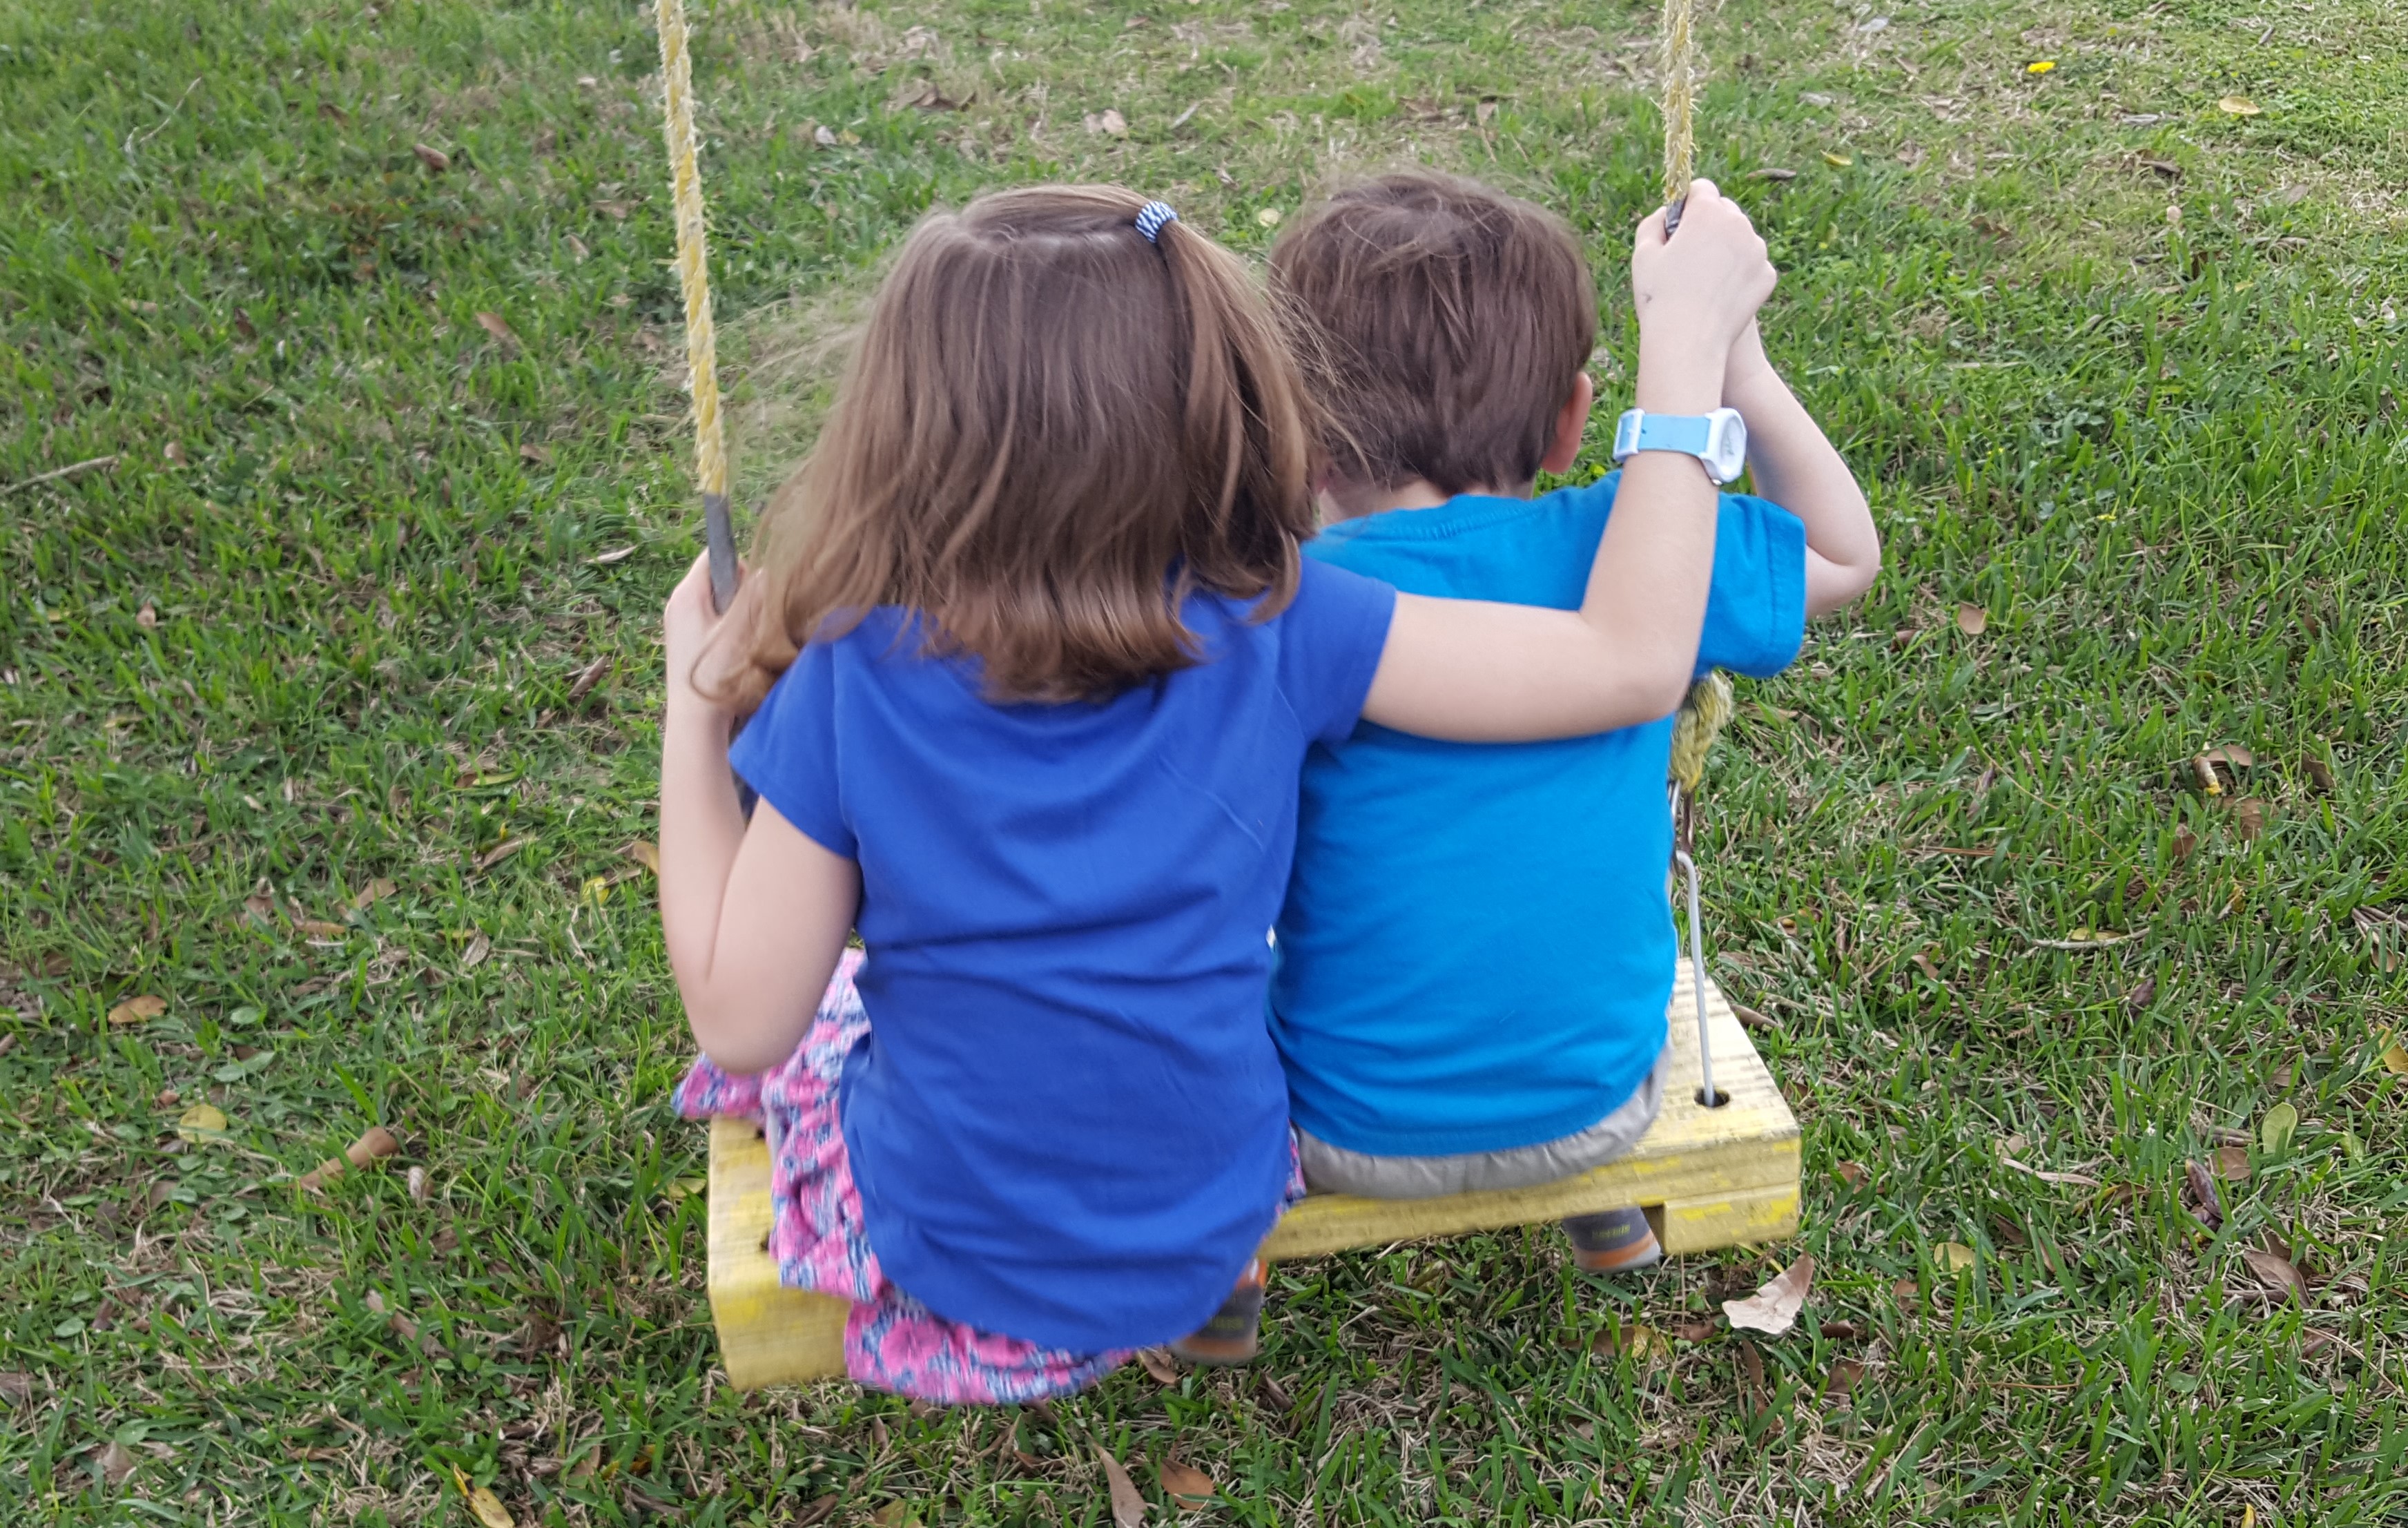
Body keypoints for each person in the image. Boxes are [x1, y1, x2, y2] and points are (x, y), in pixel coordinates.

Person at [656, 181, 1776, 1402]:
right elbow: (1628, 661)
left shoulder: (849, 676)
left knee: (828, 1028)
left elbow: (740, 1022)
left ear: (898, 433)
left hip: (954, 1249)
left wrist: (696, 698)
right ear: (1219, 399)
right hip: (1214, 1208)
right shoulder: (1285, 618)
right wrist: (1681, 348)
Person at [1266, 170, 1880, 1273]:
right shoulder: (1644, 550)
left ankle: (1229, 1279)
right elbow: (1845, 555)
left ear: (1300, 434)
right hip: (1599, 1101)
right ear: (1570, 424)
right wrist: (1735, 364)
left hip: (1342, 1122)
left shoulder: (1282, 606)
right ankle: (1596, 1206)